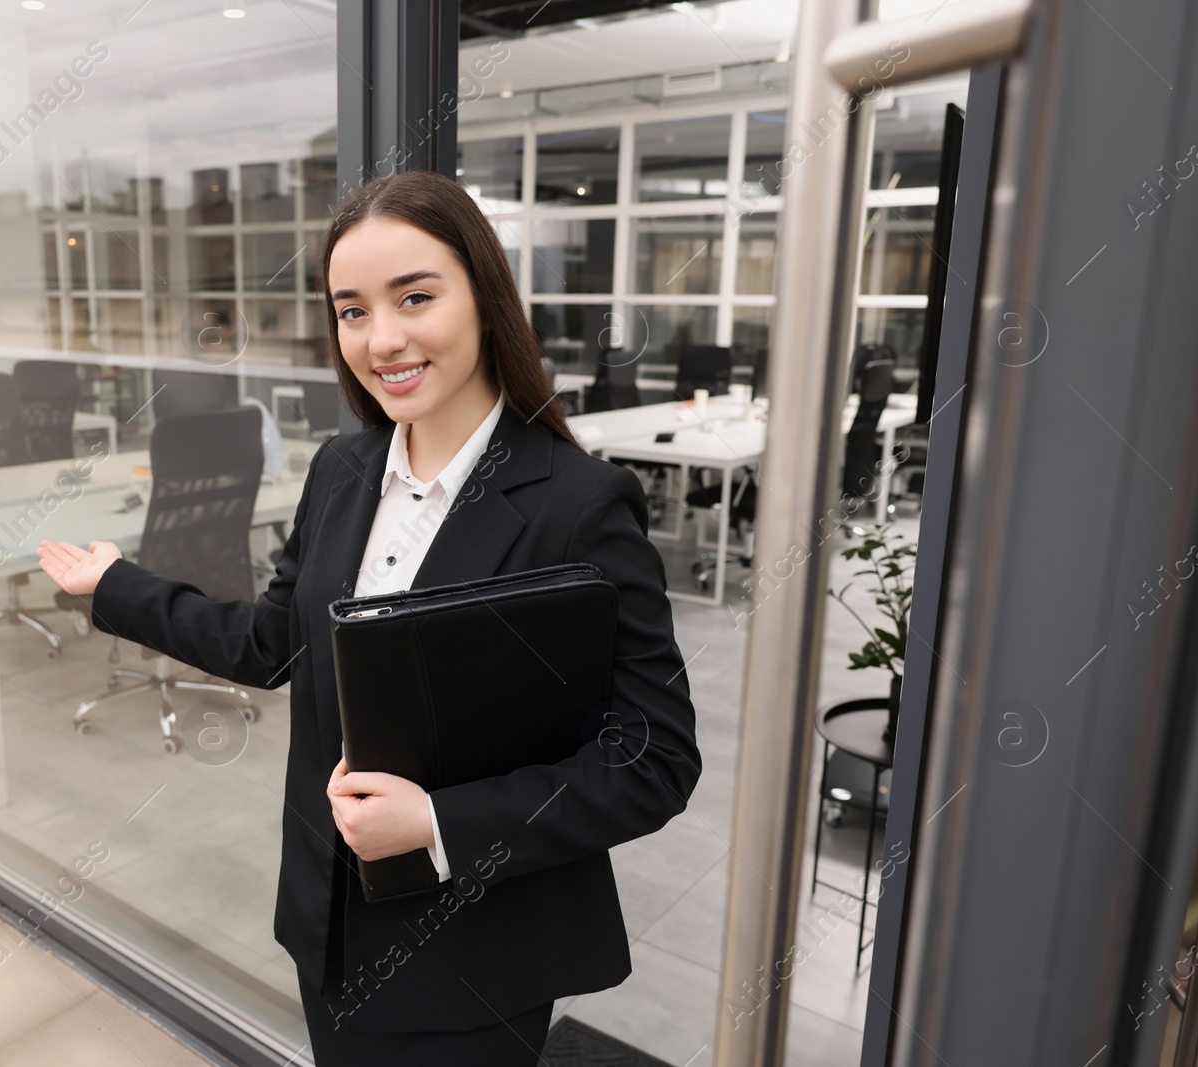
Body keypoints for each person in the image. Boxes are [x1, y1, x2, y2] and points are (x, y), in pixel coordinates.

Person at [37, 170, 702, 1066]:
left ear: (483, 295)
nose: (382, 338)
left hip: (470, 958)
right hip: (327, 928)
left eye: (415, 296)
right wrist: (117, 587)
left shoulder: (578, 504)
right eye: (352, 310)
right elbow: (273, 643)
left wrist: (437, 823)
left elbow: (653, 757)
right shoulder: (342, 471)